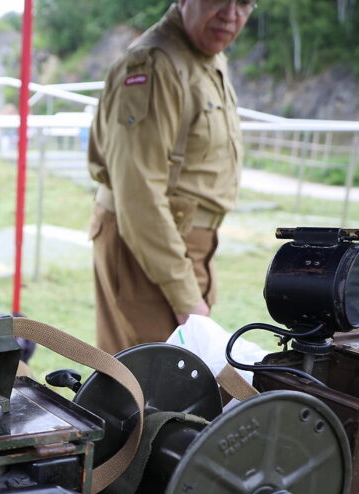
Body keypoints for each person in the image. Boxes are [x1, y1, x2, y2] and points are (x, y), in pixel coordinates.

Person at [87, 0, 252, 352]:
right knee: (144, 387)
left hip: (181, 242)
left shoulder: (206, 56)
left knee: (177, 381)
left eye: (245, 3)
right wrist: (185, 296)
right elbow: (138, 195)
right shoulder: (156, 64)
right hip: (150, 244)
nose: (231, 14)